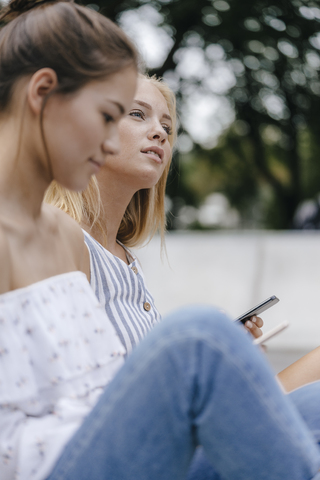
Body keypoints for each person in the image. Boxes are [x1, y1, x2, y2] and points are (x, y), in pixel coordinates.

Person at [1, 1, 320, 480]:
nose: (110, 141)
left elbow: (108, 388)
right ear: (43, 93)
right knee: (199, 335)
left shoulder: (62, 236)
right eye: (109, 115)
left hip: (125, 448)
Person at [45, 73, 264, 352]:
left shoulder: (126, 259)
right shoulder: (57, 238)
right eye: (137, 114)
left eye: (167, 128)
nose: (160, 133)